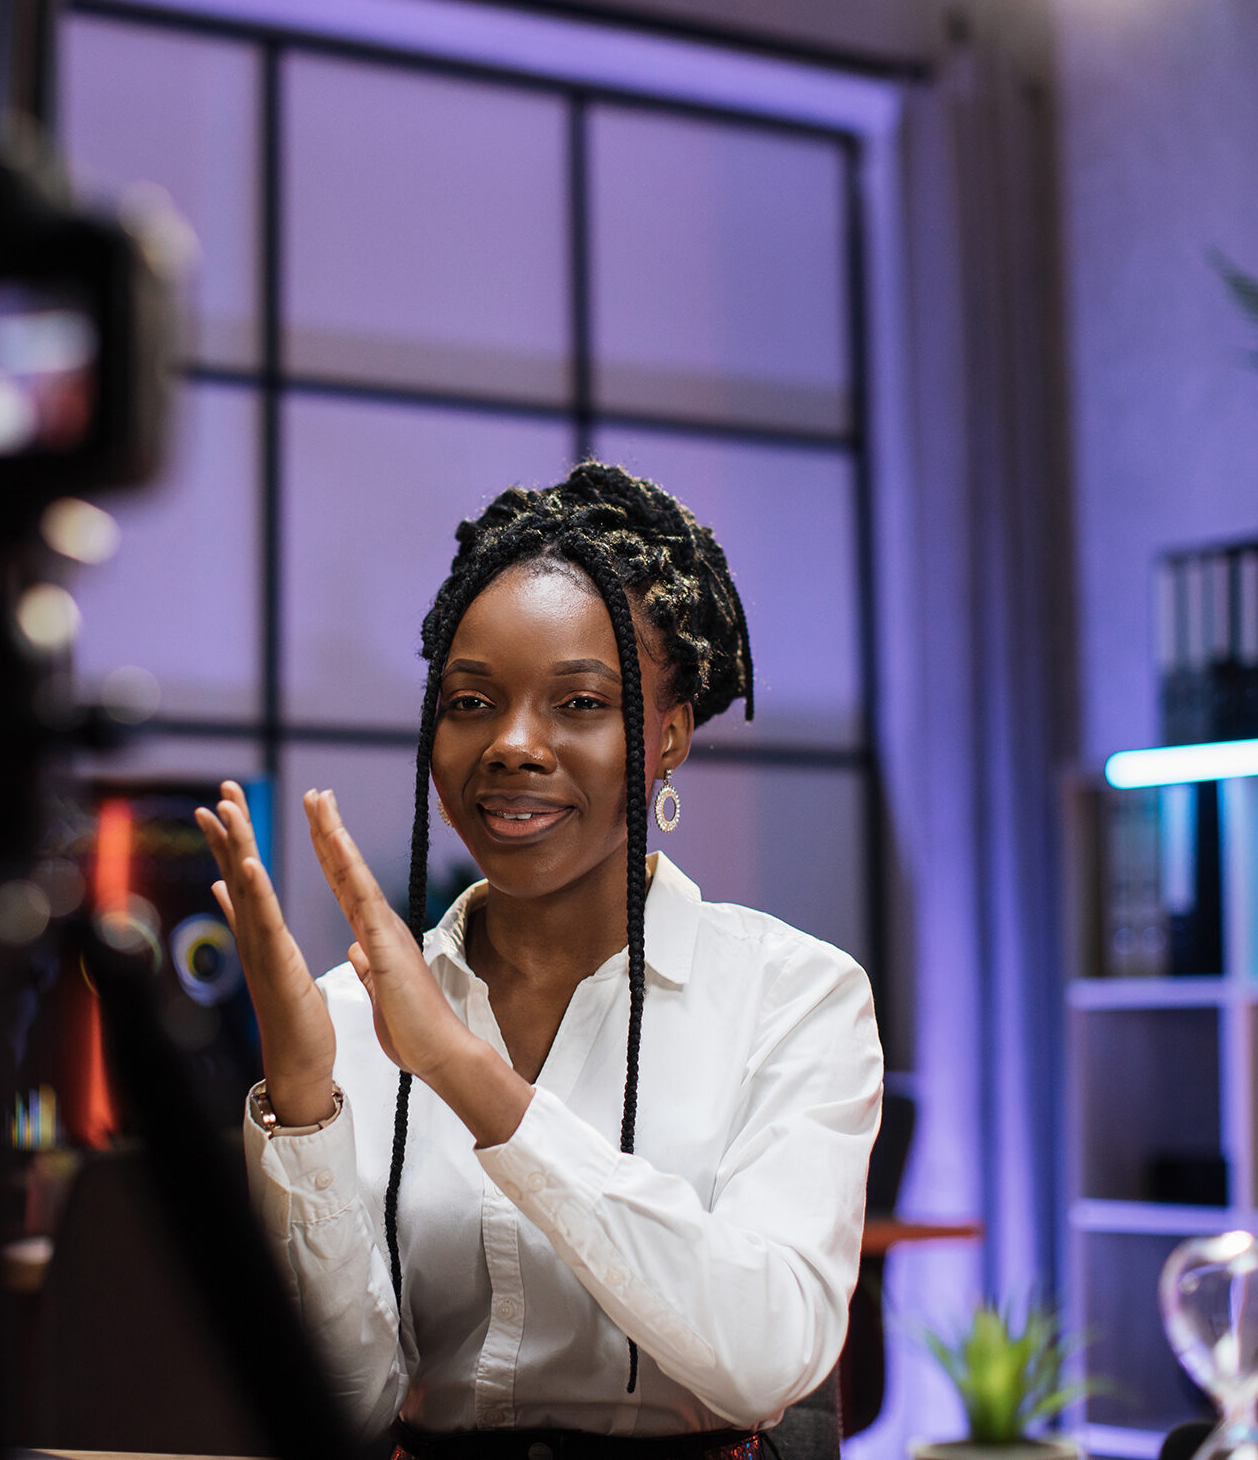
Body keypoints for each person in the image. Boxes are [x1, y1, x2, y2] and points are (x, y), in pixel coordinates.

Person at [195, 463, 883, 1460]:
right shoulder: (350, 1014)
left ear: (669, 737)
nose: (514, 743)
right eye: (471, 700)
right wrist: (302, 1096)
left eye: (580, 703)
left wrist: (464, 1072)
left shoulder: (795, 995)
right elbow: (339, 1411)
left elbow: (769, 1353)